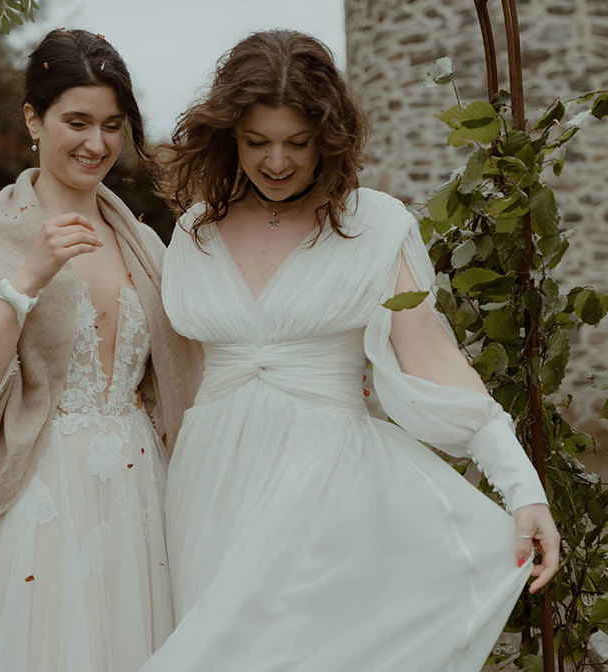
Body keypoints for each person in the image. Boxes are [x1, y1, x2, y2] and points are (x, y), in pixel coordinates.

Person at [141, 30, 559, 672]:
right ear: (230, 136)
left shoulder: (375, 224)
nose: (276, 162)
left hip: (328, 487)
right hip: (209, 486)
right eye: (257, 142)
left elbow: (435, 362)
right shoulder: (196, 230)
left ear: (328, 138)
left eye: (297, 143)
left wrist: (522, 487)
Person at [0, 28, 194, 672]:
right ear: (34, 117)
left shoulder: (140, 239)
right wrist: (25, 281)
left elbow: (182, 363)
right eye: (76, 121)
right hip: (38, 491)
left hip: (139, 490)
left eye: (113, 125)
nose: (97, 143)